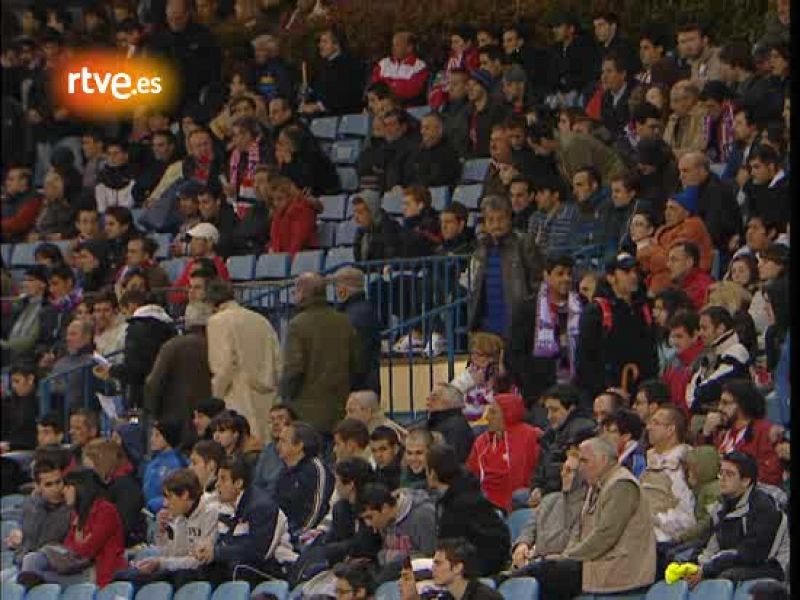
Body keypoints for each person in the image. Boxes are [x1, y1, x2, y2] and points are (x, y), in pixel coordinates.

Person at [529, 437, 656, 598]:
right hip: (594, 564)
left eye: (584, 461)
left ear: (603, 460)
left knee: (545, 573)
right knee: (542, 570)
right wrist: (565, 556)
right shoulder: (597, 485)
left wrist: (568, 557)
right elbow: (580, 530)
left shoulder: (622, 485)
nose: (580, 468)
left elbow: (605, 535)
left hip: (619, 571)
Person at [281, 272, 361, 439]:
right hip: (339, 407)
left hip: (305, 412)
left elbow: (294, 370)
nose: (293, 296)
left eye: (295, 291)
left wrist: (285, 398)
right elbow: (356, 364)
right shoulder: (343, 322)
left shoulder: (297, 325)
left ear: (303, 293)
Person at [690, 451, 788, 586]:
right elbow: (706, 541)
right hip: (736, 562)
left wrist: (707, 569)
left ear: (745, 481)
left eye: (729, 474)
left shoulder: (763, 507)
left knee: (725, 577)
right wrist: (692, 565)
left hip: (771, 565)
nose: (722, 479)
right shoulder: (720, 507)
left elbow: (750, 554)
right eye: (721, 473)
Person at [18, 468, 126, 587]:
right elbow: (68, 546)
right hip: (77, 568)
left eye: (67, 487)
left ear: (79, 488)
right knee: (32, 560)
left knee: (40, 578)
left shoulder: (105, 511)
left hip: (97, 572)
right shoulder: (78, 513)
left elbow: (86, 552)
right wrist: (79, 542)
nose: (63, 491)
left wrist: (78, 544)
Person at [193, 456, 293, 585]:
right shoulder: (229, 506)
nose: (217, 485)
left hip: (275, 566)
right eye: (218, 479)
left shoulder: (260, 506)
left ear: (238, 483)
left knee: (236, 569)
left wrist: (217, 552)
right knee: (204, 568)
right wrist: (209, 549)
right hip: (247, 564)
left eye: (223, 479)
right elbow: (228, 543)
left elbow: (257, 551)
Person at [205, 279, 281, 443]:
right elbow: (278, 363)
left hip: (237, 400)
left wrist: (215, 401)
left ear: (210, 303)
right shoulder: (262, 321)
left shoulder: (217, 321)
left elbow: (223, 367)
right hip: (268, 400)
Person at [116, 468, 219, 589]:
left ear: (185, 494)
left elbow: (199, 560)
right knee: (121, 576)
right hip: (178, 571)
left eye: (169, 497)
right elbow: (171, 555)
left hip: (200, 574)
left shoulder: (210, 513)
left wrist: (161, 563)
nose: (165, 503)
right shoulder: (180, 517)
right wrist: (162, 532)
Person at [575, 253, 659, 399]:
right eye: (626, 272)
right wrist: (605, 390)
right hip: (606, 393)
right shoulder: (596, 311)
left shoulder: (644, 308)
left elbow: (651, 354)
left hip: (640, 393)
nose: (633, 276)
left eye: (635, 271)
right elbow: (585, 360)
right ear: (611, 277)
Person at [509, 254, 583, 407]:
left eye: (569, 274)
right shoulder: (528, 309)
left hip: (576, 391)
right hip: (539, 394)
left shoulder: (581, 306)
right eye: (560, 273)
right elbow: (515, 355)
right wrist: (533, 393)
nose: (566, 278)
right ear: (546, 276)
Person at [426, 444, 510, 576]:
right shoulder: (467, 491)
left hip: (479, 567)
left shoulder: (457, 507)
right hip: (477, 561)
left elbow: (449, 547)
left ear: (432, 474)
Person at [467, 195, 543, 336]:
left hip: (518, 324)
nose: (496, 225)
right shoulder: (481, 248)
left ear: (509, 219)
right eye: (491, 220)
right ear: (485, 224)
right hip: (486, 326)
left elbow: (537, 283)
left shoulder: (523, 243)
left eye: (501, 219)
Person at [99, 293, 176, 410]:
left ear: (132, 306)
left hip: (144, 394)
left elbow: (135, 367)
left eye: (124, 312)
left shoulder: (136, 329)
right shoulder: (169, 327)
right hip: (168, 390)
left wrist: (111, 370)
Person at [698, 380, 782, 486]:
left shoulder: (763, 431)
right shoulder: (722, 432)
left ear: (743, 404)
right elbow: (702, 467)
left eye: (725, 403)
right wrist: (706, 433)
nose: (720, 408)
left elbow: (770, 476)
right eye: (720, 403)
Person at [466, 393, 541, 512]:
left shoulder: (529, 436)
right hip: (483, 502)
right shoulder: (482, 441)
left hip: (519, 504)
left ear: (508, 414)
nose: (487, 417)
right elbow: (470, 473)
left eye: (493, 412)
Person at [144, 302, 213, 429]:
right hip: (208, 419)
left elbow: (153, 382)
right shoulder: (216, 347)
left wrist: (153, 412)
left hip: (172, 419)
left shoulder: (172, 346)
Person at [528, 384, 596, 505]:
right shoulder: (550, 433)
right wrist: (535, 487)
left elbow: (568, 472)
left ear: (571, 408)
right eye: (547, 410)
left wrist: (543, 492)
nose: (549, 416)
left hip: (569, 496)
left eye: (554, 410)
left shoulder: (582, 431)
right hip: (547, 491)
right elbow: (540, 467)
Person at [357, 482, 436, 583]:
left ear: (385, 508)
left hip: (417, 576)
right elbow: (384, 551)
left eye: (370, 517)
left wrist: (398, 560)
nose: (368, 524)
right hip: (393, 571)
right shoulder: (385, 521)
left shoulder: (422, 516)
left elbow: (430, 557)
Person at [641, 405, 696, 546]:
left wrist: (655, 519)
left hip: (662, 540)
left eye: (656, 423)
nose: (648, 427)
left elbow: (687, 518)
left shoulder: (682, 464)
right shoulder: (649, 460)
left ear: (671, 429)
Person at [686, 306, 751, 417]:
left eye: (704, 328)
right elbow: (692, 387)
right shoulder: (710, 355)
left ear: (720, 328)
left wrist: (696, 400)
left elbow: (705, 391)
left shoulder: (736, 352)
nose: (700, 333)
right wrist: (695, 400)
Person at [4, 459, 71, 566]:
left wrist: (68, 506)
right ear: (38, 486)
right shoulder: (32, 503)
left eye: (58, 482)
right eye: (49, 485)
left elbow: (48, 541)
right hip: (22, 559)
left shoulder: (69, 507)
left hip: (50, 563)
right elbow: (28, 539)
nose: (56, 489)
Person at [276, 422, 334, 543]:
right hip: (283, 532)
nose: (278, 446)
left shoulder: (316, 469)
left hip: (307, 536)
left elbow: (316, 510)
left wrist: (296, 535)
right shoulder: (284, 471)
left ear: (299, 446)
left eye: (283, 441)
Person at [677, 151, 742, 255]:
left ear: (702, 170)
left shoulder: (717, 191)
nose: (681, 177)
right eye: (680, 171)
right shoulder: (696, 188)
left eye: (686, 171)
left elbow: (712, 232)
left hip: (717, 250)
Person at [399, 538, 503, 600]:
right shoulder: (447, 597)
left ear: (457, 568)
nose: (433, 568)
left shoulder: (485, 597)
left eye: (438, 564)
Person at [334, 268, 382, 394]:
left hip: (357, 388)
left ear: (343, 290)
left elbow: (357, 358)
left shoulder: (355, 316)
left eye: (337, 286)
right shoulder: (363, 311)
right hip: (362, 385)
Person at [300, 27, 364, 116]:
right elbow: (317, 92)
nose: (320, 45)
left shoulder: (347, 65)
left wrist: (318, 106)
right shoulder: (322, 67)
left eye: (325, 42)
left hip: (341, 116)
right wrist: (308, 92)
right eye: (320, 42)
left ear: (336, 45)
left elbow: (344, 95)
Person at [653, 186, 714, 273]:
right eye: (666, 208)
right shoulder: (664, 228)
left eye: (672, 209)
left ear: (687, 212)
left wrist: (650, 253)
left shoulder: (693, 226)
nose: (667, 213)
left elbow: (672, 255)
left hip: (690, 274)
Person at [2, 266, 48, 363]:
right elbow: (7, 328)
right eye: (24, 280)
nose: (25, 284)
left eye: (30, 280)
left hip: (28, 357)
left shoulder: (46, 308)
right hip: (10, 352)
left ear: (43, 284)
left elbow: (30, 341)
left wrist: (4, 344)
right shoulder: (22, 304)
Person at [662, 311, 705, 415]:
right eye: (673, 337)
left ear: (695, 335)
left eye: (679, 336)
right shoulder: (672, 361)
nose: (675, 342)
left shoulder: (705, 361)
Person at [371, 31, 429, 106]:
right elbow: (374, 86)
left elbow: (411, 91)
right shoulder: (384, 63)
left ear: (409, 48)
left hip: (407, 107)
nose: (393, 48)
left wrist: (387, 84)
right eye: (393, 45)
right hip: (380, 106)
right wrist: (396, 85)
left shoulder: (419, 66)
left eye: (397, 45)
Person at [424, 384, 474, 463]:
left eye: (434, 397)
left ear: (449, 403)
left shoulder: (456, 428)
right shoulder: (436, 421)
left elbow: (452, 460)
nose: (428, 399)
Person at [252, 403, 296, 494]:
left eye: (281, 418)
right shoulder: (267, 451)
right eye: (272, 420)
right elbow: (257, 484)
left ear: (293, 423)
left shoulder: (298, 450)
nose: (275, 423)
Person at [411, 112, 461, 188]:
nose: (422, 132)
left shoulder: (448, 152)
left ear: (439, 130)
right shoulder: (419, 151)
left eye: (427, 128)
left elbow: (439, 180)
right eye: (421, 128)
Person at [351, 191, 402, 261]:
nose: (356, 218)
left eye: (360, 212)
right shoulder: (361, 232)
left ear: (372, 212)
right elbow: (358, 261)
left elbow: (390, 260)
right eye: (354, 212)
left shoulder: (390, 229)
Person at [1, 362, 39, 450]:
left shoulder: (41, 401)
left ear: (30, 379)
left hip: (29, 449)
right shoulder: (12, 400)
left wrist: (11, 445)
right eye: (12, 382)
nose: (13, 386)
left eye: (17, 381)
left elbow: (33, 436)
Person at [599, 408, 646, 478]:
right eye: (603, 432)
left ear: (626, 436)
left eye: (610, 431)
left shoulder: (636, 463)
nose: (604, 436)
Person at [667, 241, 714, 310]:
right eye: (668, 260)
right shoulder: (679, 284)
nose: (668, 265)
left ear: (689, 262)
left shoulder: (702, 286)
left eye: (674, 260)